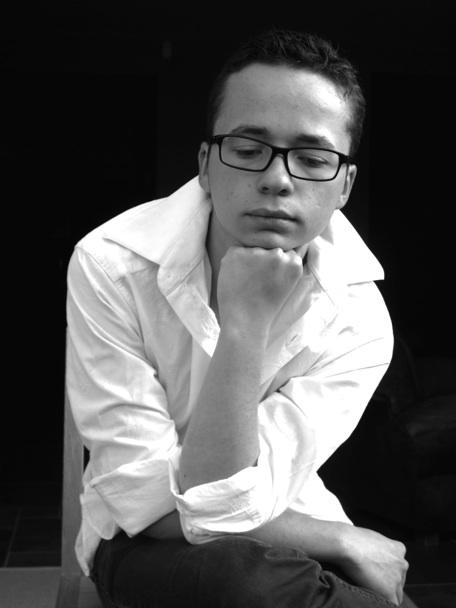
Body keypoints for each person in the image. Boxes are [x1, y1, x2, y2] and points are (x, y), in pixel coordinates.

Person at [66, 28, 418, 608]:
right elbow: (146, 501)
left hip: (287, 531)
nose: (277, 179)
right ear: (206, 163)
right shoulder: (113, 265)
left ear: (345, 185)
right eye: (249, 150)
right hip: (143, 541)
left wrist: (325, 541)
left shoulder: (356, 315)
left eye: (313, 159)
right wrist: (245, 323)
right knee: (243, 583)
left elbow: (232, 505)